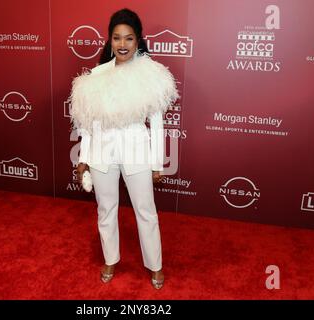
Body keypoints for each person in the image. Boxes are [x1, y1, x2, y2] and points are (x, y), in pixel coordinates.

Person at [70, 8, 178, 289]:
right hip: (102, 154)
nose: (122, 44)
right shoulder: (97, 75)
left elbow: (156, 124)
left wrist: (157, 164)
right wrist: (83, 160)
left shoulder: (151, 74)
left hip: (137, 152)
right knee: (106, 209)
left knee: (146, 211)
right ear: (109, 40)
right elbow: (88, 123)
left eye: (129, 38)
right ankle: (110, 259)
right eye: (117, 38)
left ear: (138, 40)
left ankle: (155, 265)